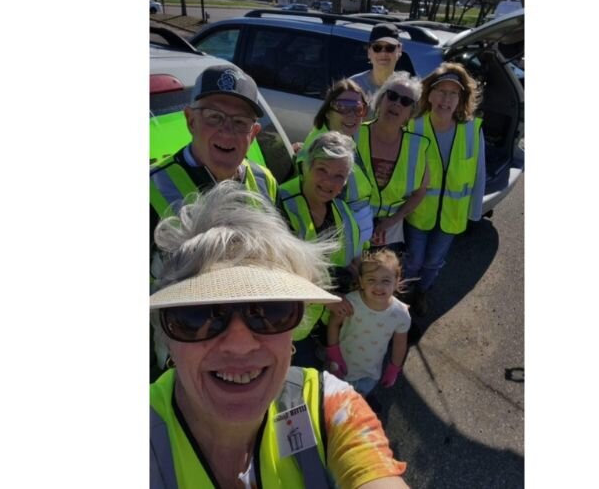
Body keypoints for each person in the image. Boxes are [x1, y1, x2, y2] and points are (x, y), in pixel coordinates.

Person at [150, 181, 409, 489]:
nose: (240, 344)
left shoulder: (330, 405)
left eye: (271, 312)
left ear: (294, 331)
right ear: (166, 336)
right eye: (197, 315)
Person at [149, 64, 279, 275]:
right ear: (191, 121)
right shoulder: (151, 187)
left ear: (253, 134)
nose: (227, 132)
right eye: (214, 116)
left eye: (240, 121)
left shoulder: (265, 180)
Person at [404, 63, 486, 316]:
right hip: (418, 212)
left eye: (454, 93)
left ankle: (422, 293)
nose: (446, 99)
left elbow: (479, 173)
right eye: (441, 91)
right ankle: (403, 295)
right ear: (428, 94)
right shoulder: (414, 126)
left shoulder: (471, 130)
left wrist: (475, 213)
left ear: (461, 99)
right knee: (414, 260)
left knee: (433, 262)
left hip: (452, 214)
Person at [279, 131, 364, 368]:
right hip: (288, 324)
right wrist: (327, 300)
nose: (329, 182)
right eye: (322, 170)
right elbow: (276, 273)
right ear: (307, 166)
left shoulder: (343, 212)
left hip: (326, 322)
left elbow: (353, 257)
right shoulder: (280, 203)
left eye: (339, 176)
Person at [355, 71, 429, 251]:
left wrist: (393, 220)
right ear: (380, 100)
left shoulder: (417, 147)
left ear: (410, 113)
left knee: (378, 277)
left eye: (405, 101)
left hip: (390, 232)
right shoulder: (354, 134)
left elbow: (420, 192)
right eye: (392, 96)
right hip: (350, 224)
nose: (397, 103)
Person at [295, 79, 375, 247]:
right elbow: (316, 206)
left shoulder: (345, 136)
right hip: (340, 236)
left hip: (355, 228)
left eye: (358, 109)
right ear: (328, 111)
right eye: (343, 107)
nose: (351, 115)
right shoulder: (320, 148)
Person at [325, 249, 411, 399]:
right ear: (361, 281)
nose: (378, 286)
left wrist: (394, 369)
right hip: (340, 366)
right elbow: (333, 324)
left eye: (385, 280)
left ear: (396, 281)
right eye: (371, 280)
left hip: (370, 373)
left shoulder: (401, 314)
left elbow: (399, 344)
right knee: (334, 404)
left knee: (358, 402)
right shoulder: (351, 302)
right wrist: (334, 354)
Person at [349, 23, 403, 108]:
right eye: (377, 48)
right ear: (369, 52)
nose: (383, 53)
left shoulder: (406, 90)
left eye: (390, 48)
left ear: (399, 51)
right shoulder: (353, 87)